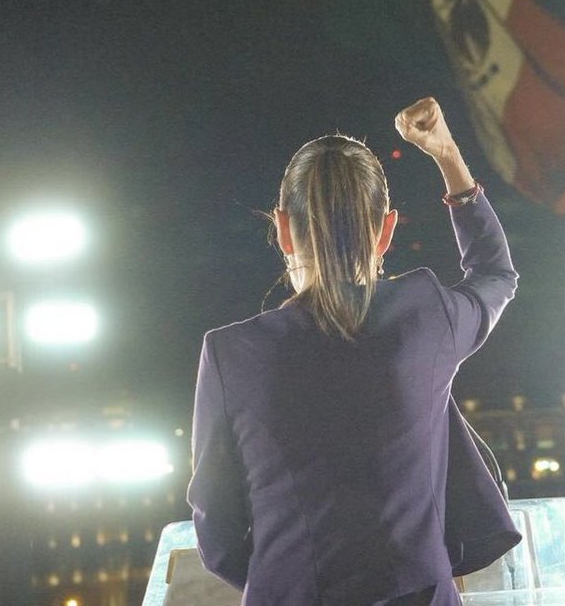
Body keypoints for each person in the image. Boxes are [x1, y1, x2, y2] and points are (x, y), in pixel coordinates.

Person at [188, 97, 520, 605]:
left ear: (281, 229)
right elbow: (495, 274)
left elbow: (219, 532)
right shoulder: (425, 315)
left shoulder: (231, 353)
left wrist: (286, 583)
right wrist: (447, 155)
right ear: (386, 231)